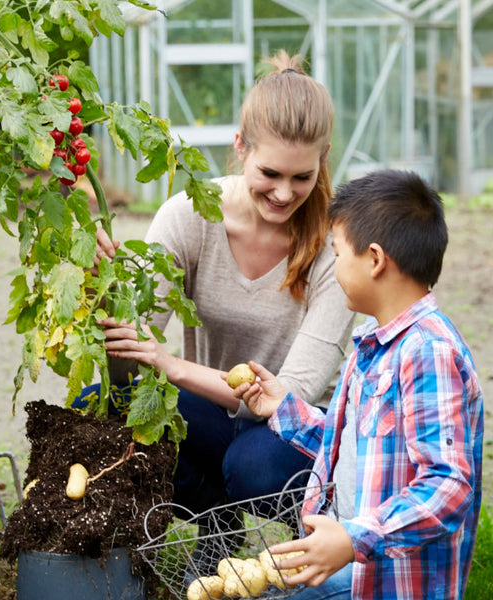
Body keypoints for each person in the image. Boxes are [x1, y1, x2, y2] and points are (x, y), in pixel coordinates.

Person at [85, 50, 354, 539]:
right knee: (107, 402)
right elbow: (128, 364)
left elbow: (289, 397)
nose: (283, 193)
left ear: (323, 159)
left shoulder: (336, 244)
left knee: (252, 464)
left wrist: (174, 366)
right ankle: (217, 536)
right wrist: (110, 298)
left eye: (302, 177)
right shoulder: (190, 215)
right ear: (241, 147)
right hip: (207, 417)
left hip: (288, 435)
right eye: (270, 174)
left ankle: (315, 541)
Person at [236, 169, 484, 600]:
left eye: (336, 254)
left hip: (388, 583)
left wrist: (353, 539)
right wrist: (283, 408)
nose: (333, 267)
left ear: (374, 259)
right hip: (353, 571)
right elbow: (354, 445)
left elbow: (448, 483)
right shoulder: (374, 345)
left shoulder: (428, 353)